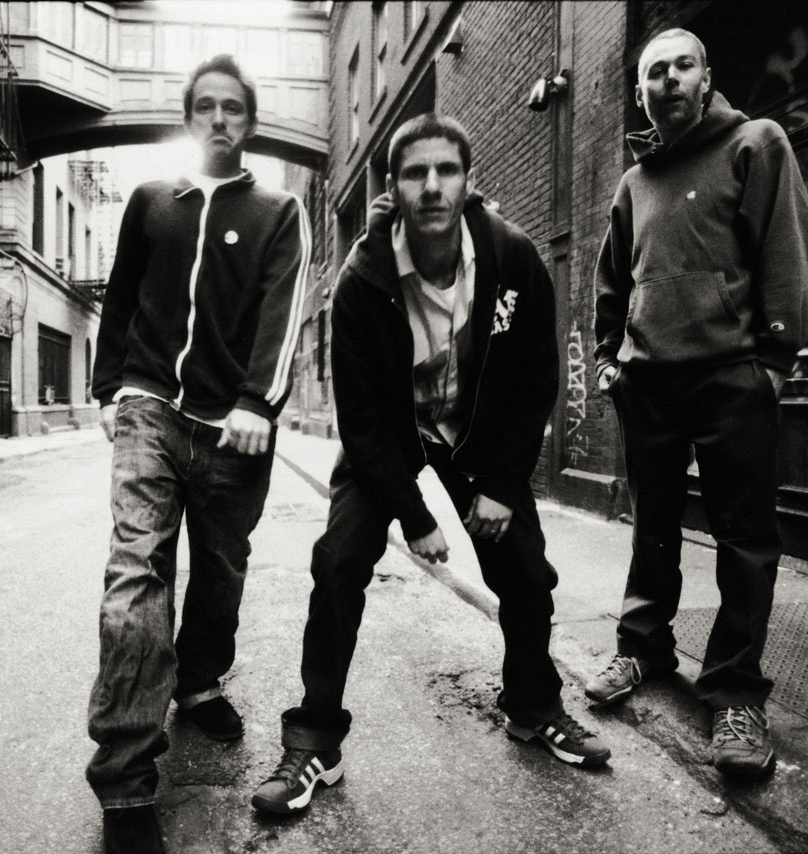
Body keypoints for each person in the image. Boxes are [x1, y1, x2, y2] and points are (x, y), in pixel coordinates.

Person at [251, 113, 610, 817]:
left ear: (468, 182)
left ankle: (533, 707)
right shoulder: (362, 279)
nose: (433, 186)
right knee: (338, 563)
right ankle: (315, 741)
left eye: (446, 170)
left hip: (477, 438)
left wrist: (502, 485)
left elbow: (537, 380)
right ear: (395, 188)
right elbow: (359, 417)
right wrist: (412, 515)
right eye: (416, 173)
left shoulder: (511, 258)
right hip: (391, 437)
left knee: (527, 574)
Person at [86, 54, 309, 852]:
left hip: (233, 427)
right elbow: (120, 296)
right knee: (135, 580)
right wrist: (108, 388)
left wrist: (257, 402)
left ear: (250, 122)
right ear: (189, 118)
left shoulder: (280, 210)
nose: (219, 118)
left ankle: (201, 681)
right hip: (149, 408)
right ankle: (125, 781)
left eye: (233, 108)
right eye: (206, 106)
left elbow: (284, 313)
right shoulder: (152, 202)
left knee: (220, 575)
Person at [586, 28, 808, 778]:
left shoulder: (756, 142)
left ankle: (735, 693)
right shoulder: (635, 182)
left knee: (744, 541)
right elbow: (611, 280)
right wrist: (607, 360)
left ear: (706, 76)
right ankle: (643, 648)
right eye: (655, 72)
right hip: (649, 382)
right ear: (641, 93)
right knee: (652, 528)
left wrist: (773, 360)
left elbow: (787, 248)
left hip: (731, 377)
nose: (670, 79)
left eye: (683, 66)